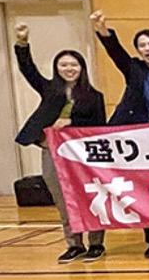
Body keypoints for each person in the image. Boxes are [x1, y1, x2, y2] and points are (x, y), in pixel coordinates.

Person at [91, 10, 149, 258]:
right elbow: (116, 53)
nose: (147, 48)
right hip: (137, 136)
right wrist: (103, 30)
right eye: (142, 45)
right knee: (143, 189)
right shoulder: (134, 69)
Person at [13, 23, 108, 263]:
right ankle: (74, 244)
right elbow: (28, 69)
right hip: (53, 153)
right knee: (63, 199)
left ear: (82, 68)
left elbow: (99, 126)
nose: (69, 69)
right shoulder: (49, 89)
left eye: (74, 65)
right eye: (64, 65)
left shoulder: (94, 97)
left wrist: (72, 122)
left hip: (83, 156)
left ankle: (96, 243)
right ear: (57, 68)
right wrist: (22, 43)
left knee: (90, 196)